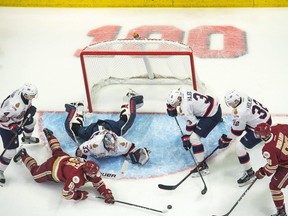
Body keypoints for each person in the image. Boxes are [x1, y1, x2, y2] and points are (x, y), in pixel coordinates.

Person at [13, 128, 114, 203]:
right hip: (52, 167)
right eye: (93, 174)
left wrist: (106, 194)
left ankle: (50, 136)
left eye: (95, 173)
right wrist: (79, 195)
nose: (95, 175)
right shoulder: (76, 178)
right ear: (86, 172)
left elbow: (99, 183)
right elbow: (66, 194)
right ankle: (23, 154)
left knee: (57, 151)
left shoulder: (92, 171)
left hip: (64, 158)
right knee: (36, 175)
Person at [218, 90, 272, 186]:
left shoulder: (240, 112)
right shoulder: (242, 95)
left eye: (231, 103)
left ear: (236, 101)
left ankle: (249, 173)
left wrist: (226, 139)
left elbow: (236, 131)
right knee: (243, 123)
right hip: (267, 118)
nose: (230, 105)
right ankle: (265, 137)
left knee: (240, 147)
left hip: (260, 129)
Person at [166, 88, 222, 176]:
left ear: (178, 99)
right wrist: (170, 106)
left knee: (194, 138)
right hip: (213, 104)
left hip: (213, 116)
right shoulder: (183, 91)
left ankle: (202, 166)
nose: (173, 105)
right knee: (196, 110)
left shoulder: (185, 107)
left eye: (173, 103)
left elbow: (192, 124)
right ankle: (217, 117)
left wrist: (186, 137)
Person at [64, 89, 143, 142]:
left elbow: (71, 130)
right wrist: (132, 102)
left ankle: (78, 108)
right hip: (110, 128)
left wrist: (72, 111)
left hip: (93, 131)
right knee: (125, 120)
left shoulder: (88, 136)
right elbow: (130, 119)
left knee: (75, 130)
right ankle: (129, 98)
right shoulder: (117, 130)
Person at [0, 83, 39, 186]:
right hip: (6, 126)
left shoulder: (25, 95)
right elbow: (1, 118)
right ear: (25, 94)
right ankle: (0, 170)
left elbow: (26, 105)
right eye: (32, 95)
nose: (33, 97)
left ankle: (26, 138)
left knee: (32, 122)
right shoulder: (14, 105)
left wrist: (29, 110)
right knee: (10, 152)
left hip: (17, 120)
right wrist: (12, 126)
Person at [254, 123, 288, 216]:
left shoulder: (268, 149)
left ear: (264, 136)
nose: (257, 135)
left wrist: (262, 172)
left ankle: (281, 212)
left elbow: (272, 167)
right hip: (285, 160)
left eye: (258, 134)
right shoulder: (277, 128)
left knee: (274, 187)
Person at [75, 128, 151, 165]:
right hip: (93, 131)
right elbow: (80, 151)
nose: (112, 149)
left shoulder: (121, 143)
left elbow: (131, 151)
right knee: (77, 132)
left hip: (110, 128)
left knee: (123, 126)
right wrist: (82, 163)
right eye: (109, 147)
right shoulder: (95, 145)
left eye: (113, 146)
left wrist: (139, 155)